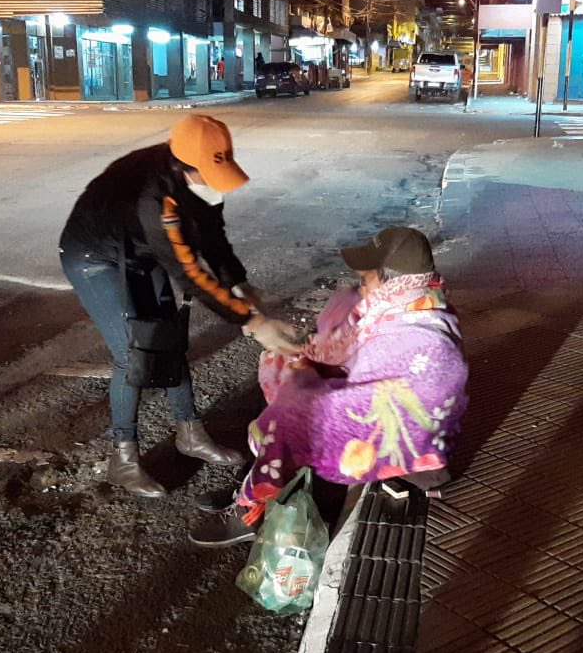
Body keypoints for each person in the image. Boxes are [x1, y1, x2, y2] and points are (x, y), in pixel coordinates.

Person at [60, 115, 301, 498]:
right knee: (131, 353)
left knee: (170, 339)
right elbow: (189, 273)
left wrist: (239, 284)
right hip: (94, 258)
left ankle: (190, 433)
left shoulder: (195, 176)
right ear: (183, 165)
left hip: (138, 252)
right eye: (207, 172)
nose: (213, 182)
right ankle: (123, 460)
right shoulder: (155, 199)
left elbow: (213, 237)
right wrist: (251, 321)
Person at [190, 227, 468, 547]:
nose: (360, 282)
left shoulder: (414, 334)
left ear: (388, 277)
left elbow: (366, 387)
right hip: (400, 419)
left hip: (410, 450)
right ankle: (256, 479)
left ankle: (250, 509)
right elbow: (357, 357)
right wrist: (306, 359)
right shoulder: (417, 302)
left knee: (284, 422)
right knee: (285, 370)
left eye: (366, 276)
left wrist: (302, 380)